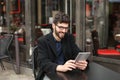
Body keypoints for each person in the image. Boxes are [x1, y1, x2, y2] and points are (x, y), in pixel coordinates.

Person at [36, 11, 88, 80]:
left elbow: (77, 53)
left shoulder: (69, 38)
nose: (64, 31)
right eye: (61, 27)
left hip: (66, 75)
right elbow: (42, 62)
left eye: (66, 28)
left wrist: (83, 63)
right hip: (49, 74)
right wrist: (60, 67)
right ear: (53, 26)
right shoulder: (43, 41)